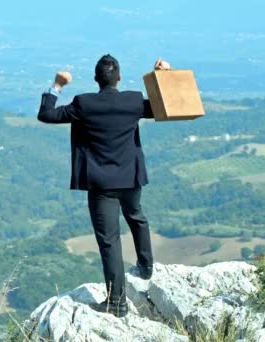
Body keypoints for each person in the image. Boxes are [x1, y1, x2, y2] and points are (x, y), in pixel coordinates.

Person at [37, 55, 171, 317]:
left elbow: (46, 114)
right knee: (136, 216)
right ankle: (145, 266)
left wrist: (57, 85)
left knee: (109, 241)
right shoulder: (132, 101)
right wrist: (164, 75)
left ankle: (117, 303)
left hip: (102, 184)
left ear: (96, 80)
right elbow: (164, 107)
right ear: (118, 77)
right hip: (131, 178)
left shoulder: (84, 104)